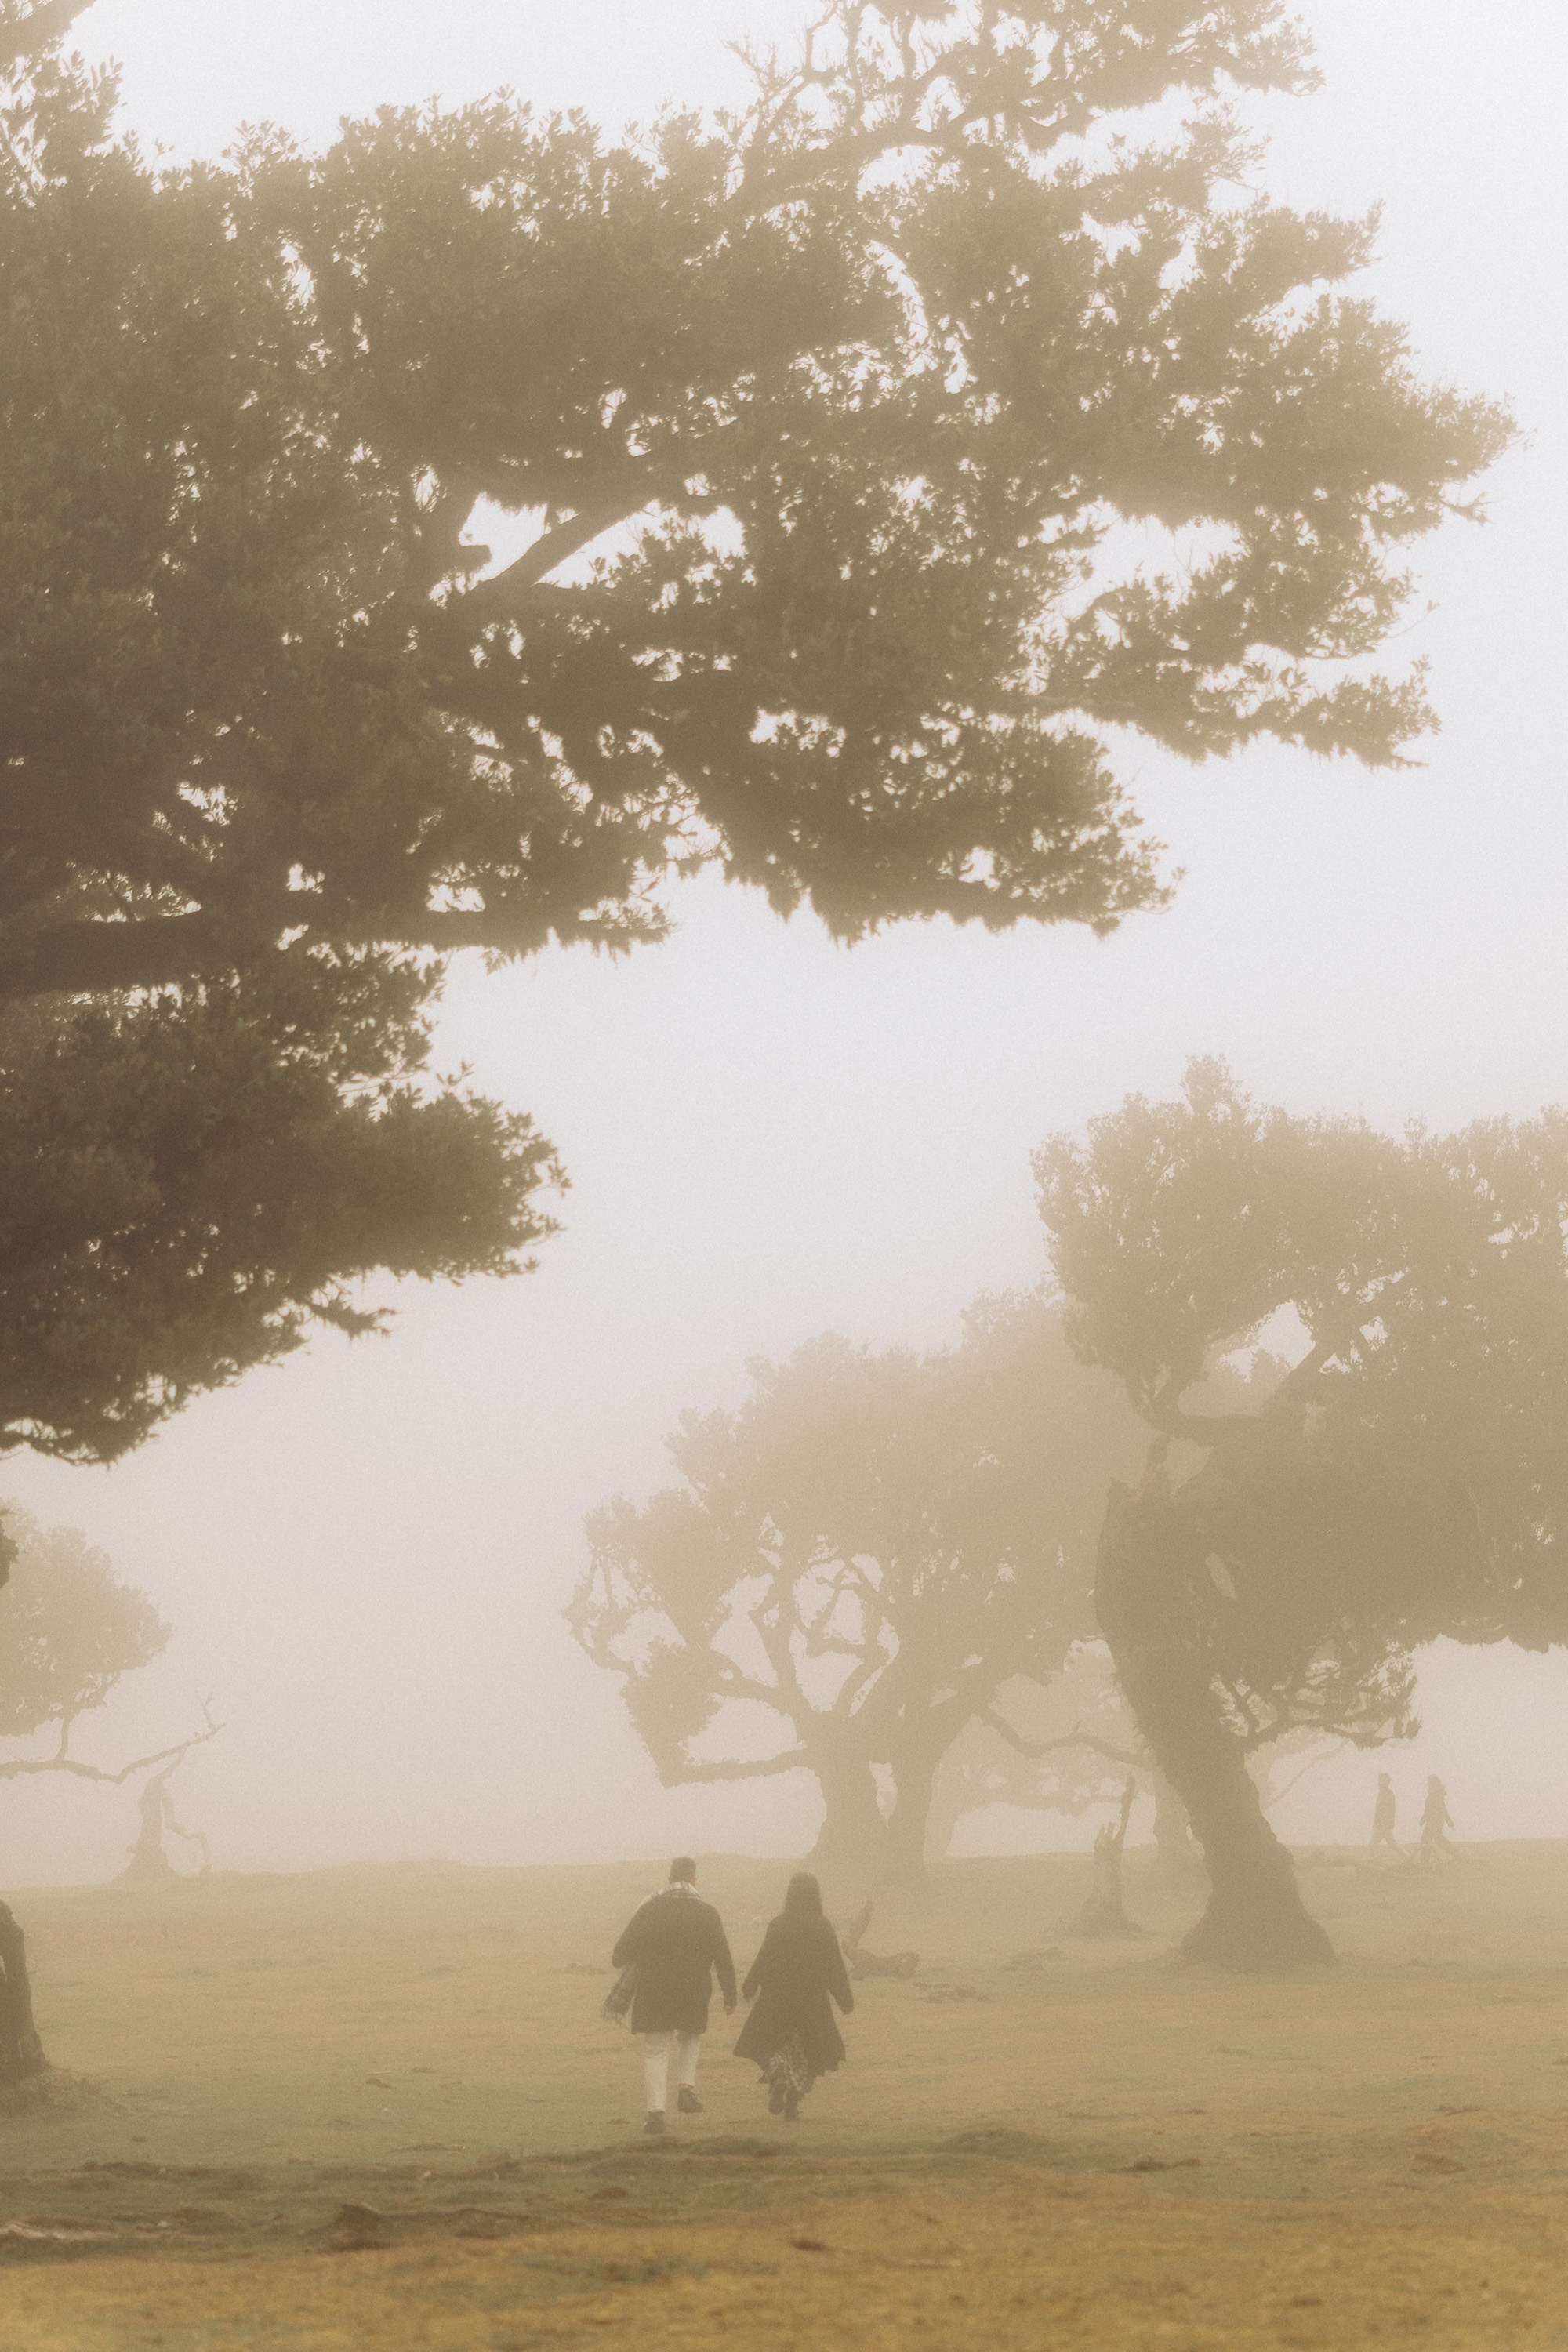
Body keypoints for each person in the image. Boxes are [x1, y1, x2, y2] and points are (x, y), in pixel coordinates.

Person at [611, 1857, 736, 2137]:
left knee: (657, 2050)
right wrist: (730, 1995)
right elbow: (723, 1957)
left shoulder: (650, 1909)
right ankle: (686, 2091)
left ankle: (655, 2115)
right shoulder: (708, 1913)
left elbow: (620, 1954)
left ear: (670, 1879)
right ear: (695, 1880)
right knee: (691, 2036)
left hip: (655, 1988)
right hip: (694, 1988)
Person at [734, 1871, 854, 2123]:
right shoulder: (823, 1926)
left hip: (777, 1999)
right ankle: (792, 2105)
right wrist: (845, 2000)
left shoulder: (779, 1924)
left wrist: (750, 1984)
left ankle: (777, 2078)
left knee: (777, 2045)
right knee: (809, 2053)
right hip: (812, 2002)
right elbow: (834, 1966)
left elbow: (764, 1957)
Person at [1415, 1775, 1455, 1866]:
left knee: (1428, 1840)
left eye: (1429, 1782)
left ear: (1434, 1782)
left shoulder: (1436, 1793)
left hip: (1435, 1821)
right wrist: (1423, 1819)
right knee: (1435, 1840)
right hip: (1432, 1820)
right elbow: (1428, 1809)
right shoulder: (1434, 1793)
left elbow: (1442, 1808)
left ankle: (1424, 1862)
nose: (1428, 1783)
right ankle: (1425, 1862)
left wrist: (1449, 1821)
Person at [1370, 1773, 1401, 1857]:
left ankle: (1407, 1856)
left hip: (1383, 1825)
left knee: (1391, 1844)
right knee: (1375, 1844)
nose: (1380, 1782)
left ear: (1387, 1782)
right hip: (1379, 1824)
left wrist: (1387, 1824)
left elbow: (1390, 1811)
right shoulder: (1382, 1793)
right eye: (1380, 1780)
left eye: (1382, 1780)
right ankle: (1374, 1860)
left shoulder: (1389, 1794)